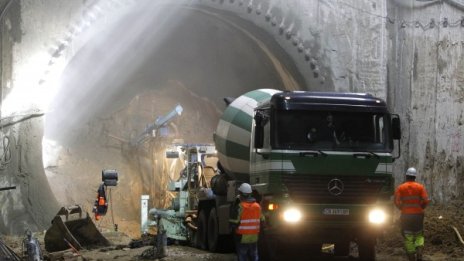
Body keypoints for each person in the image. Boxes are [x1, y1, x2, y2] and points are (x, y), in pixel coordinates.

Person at [394, 167, 430, 261]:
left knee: (408, 235)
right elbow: (426, 200)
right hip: (418, 215)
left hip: (406, 215)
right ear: (415, 177)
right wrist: (422, 207)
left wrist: (401, 208)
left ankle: (411, 257)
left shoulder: (400, 187)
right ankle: (419, 249)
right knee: (419, 234)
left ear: (406, 176)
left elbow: (396, 201)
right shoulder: (420, 187)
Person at [229, 183, 264, 261]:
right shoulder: (257, 206)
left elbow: (234, 222)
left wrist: (232, 229)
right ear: (250, 194)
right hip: (254, 237)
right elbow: (262, 220)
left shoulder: (240, 207)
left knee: (242, 256)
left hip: (242, 237)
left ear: (241, 194)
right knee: (254, 256)